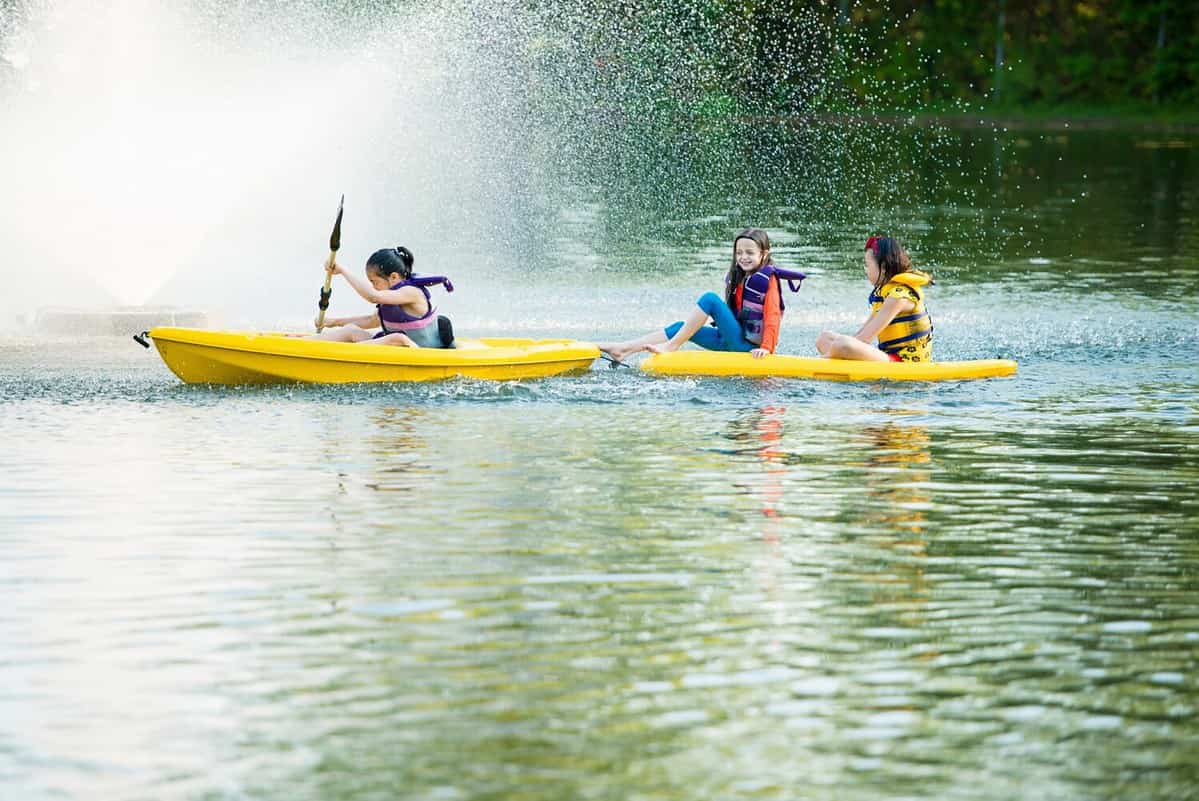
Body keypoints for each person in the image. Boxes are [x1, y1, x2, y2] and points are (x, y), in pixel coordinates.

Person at [597, 228, 804, 362]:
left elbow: (773, 316)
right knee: (681, 327)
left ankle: (672, 346)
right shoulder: (740, 277)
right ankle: (624, 350)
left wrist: (767, 348)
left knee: (709, 299)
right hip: (729, 340)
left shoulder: (768, 280)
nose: (743, 257)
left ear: (764, 254)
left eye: (750, 253)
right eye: (739, 252)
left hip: (748, 348)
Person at [309, 246, 455, 348]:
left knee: (398, 338)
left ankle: (340, 355)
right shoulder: (393, 296)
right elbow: (372, 320)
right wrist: (333, 322)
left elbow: (373, 297)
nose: (373, 286)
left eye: (375, 282)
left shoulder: (411, 292)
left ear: (393, 277)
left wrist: (343, 271)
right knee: (351, 330)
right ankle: (307, 342)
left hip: (421, 353)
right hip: (397, 350)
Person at [815, 236, 933, 362]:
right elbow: (861, 335)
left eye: (867, 265)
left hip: (904, 362)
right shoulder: (885, 293)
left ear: (883, 267)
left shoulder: (899, 297)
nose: (866, 270)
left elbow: (866, 338)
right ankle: (834, 359)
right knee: (824, 338)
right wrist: (845, 348)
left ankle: (821, 362)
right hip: (888, 356)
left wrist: (843, 348)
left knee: (842, 344)